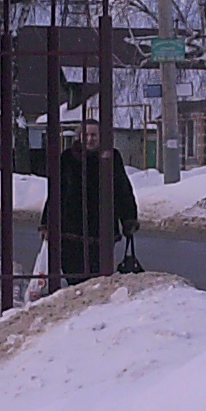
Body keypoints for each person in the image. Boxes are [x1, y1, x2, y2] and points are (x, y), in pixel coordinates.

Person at [40, 121, 140, 288]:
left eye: (94, 135)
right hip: (70, 229)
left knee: (97, 278)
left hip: (101, 228)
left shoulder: (111, 158)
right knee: (74, 275)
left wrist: (129, 219)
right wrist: (46, 223)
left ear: (101, 137)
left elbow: (123, 190)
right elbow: (56, 194)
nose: (89, 139)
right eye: (85, 135)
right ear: (79, 136)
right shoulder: (67, 158)